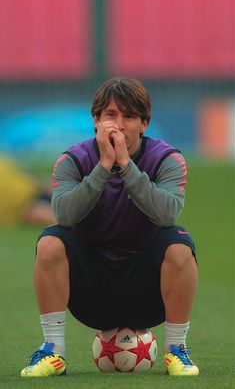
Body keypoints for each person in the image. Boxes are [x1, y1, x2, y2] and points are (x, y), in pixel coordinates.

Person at [21, 77, 199, 377]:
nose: (119, 124)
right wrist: (103, 167)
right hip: (92, 290)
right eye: (110, 115)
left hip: (147, 290)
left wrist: (127, 165)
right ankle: (53, 351)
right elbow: (64, 215)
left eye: (129, 116)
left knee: (180, 243)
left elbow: (167, 215)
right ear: (96, 120)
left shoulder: (168, 159)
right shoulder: (73, 160)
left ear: (144, 124)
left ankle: (176, 350)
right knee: (50, 241)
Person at [0, 155, 56, 226]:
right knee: (52, 215)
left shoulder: (3, 162)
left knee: (56, 188)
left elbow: (20, 172)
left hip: (34, 187)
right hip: (25, 206)